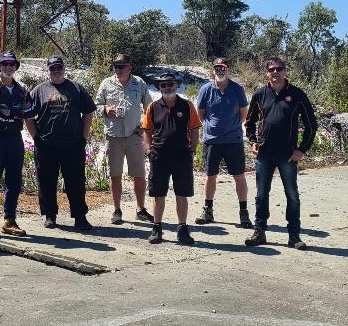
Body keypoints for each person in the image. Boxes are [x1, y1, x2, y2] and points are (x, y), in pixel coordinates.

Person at [243, 57, 317, 249]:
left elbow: (311, 124)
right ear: (266, 73)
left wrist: (302, 149)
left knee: (292, 195)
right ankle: (259, 232)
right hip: (264, 154)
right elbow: (249, 122)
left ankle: (294, 236)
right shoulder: (260, 94)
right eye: (272, 69)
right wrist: (253, 142)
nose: (275, 72)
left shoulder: (297, 94)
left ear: (285, 71)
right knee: (261, 195)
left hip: (288, 154)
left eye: (279, 69)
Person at [24, 56, 97, 230]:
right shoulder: (39, 90)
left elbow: (88, 112)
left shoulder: (76, 88)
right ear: (48, 71)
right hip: (46, 144)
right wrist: (36, 138)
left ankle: (80, 216)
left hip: (73, 144)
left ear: (64, 69)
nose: (56, 71)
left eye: (59, 68)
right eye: (52, 68)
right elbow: (28, 115)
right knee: (46, 182)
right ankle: (50, 215)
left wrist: (84, 137)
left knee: (76, 182)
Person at [140, 72, 201, 244]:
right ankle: (157, 229)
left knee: (182, 194)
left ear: (177, 85)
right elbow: (147, 130)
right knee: (158, 195)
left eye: (170, 84)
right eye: (163, 85)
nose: (167, 87)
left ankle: (182, 229)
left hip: (182, 157)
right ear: (159, 87)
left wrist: (191, 150)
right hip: (159, 157)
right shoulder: (153, 107)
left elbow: (195, 130)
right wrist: (149, 150)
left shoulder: (187, 105)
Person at [94, 53, 153, 225]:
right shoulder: (106, 83)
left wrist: (144, 127)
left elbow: (150, 107)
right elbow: (95, 106)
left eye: (121, 66)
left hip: (134, 135)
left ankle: (140, 209)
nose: (118, 69)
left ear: (129, 68)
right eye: (115, 66)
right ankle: (117, 210)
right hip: (113, 136)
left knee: (139, 174)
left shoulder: (139, 83)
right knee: (115, 174)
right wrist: (105, 110)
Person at [0, 52, 34, 240]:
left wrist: (11, 112)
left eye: (11, 64)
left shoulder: (23, 88)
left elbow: (30, 110)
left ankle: (9, 221)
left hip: (14, 138)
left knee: (14, 182)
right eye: (5, 64)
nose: (8, 67)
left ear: (16, 67)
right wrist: (17, 113)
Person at [194, 58, 252, 228]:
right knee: (210, 176)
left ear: (228, 70)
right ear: (213, 70)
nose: (220, 70)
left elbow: (243, 113)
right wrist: (211, 128)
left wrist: (232, 127)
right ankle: (208, 210)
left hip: (233, 140)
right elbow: (201, 114)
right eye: (217, 68)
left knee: (239, 176)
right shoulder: (206, 89)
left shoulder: (237, 88)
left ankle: (244, 213)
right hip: (212, 141)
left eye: (223, 68)